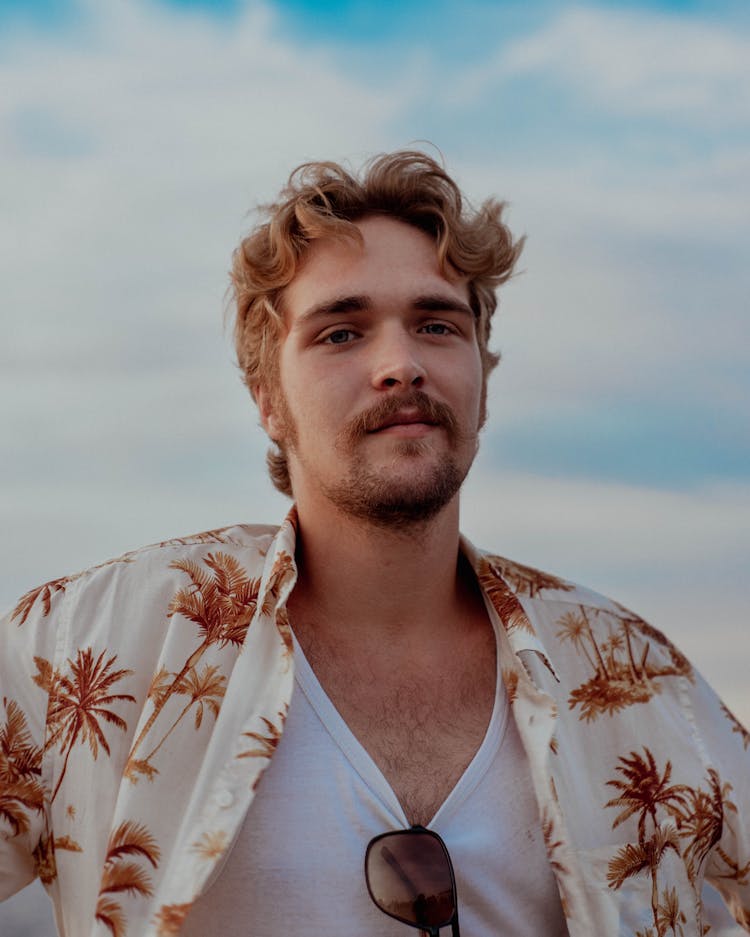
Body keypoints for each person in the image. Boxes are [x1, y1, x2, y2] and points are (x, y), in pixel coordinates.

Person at [1, 151, 748, 937]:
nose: (401, 365)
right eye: (341, 332)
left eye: (436, 325)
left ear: (481, 378)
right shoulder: (96, 643)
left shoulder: (630, 677)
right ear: (267, 399)